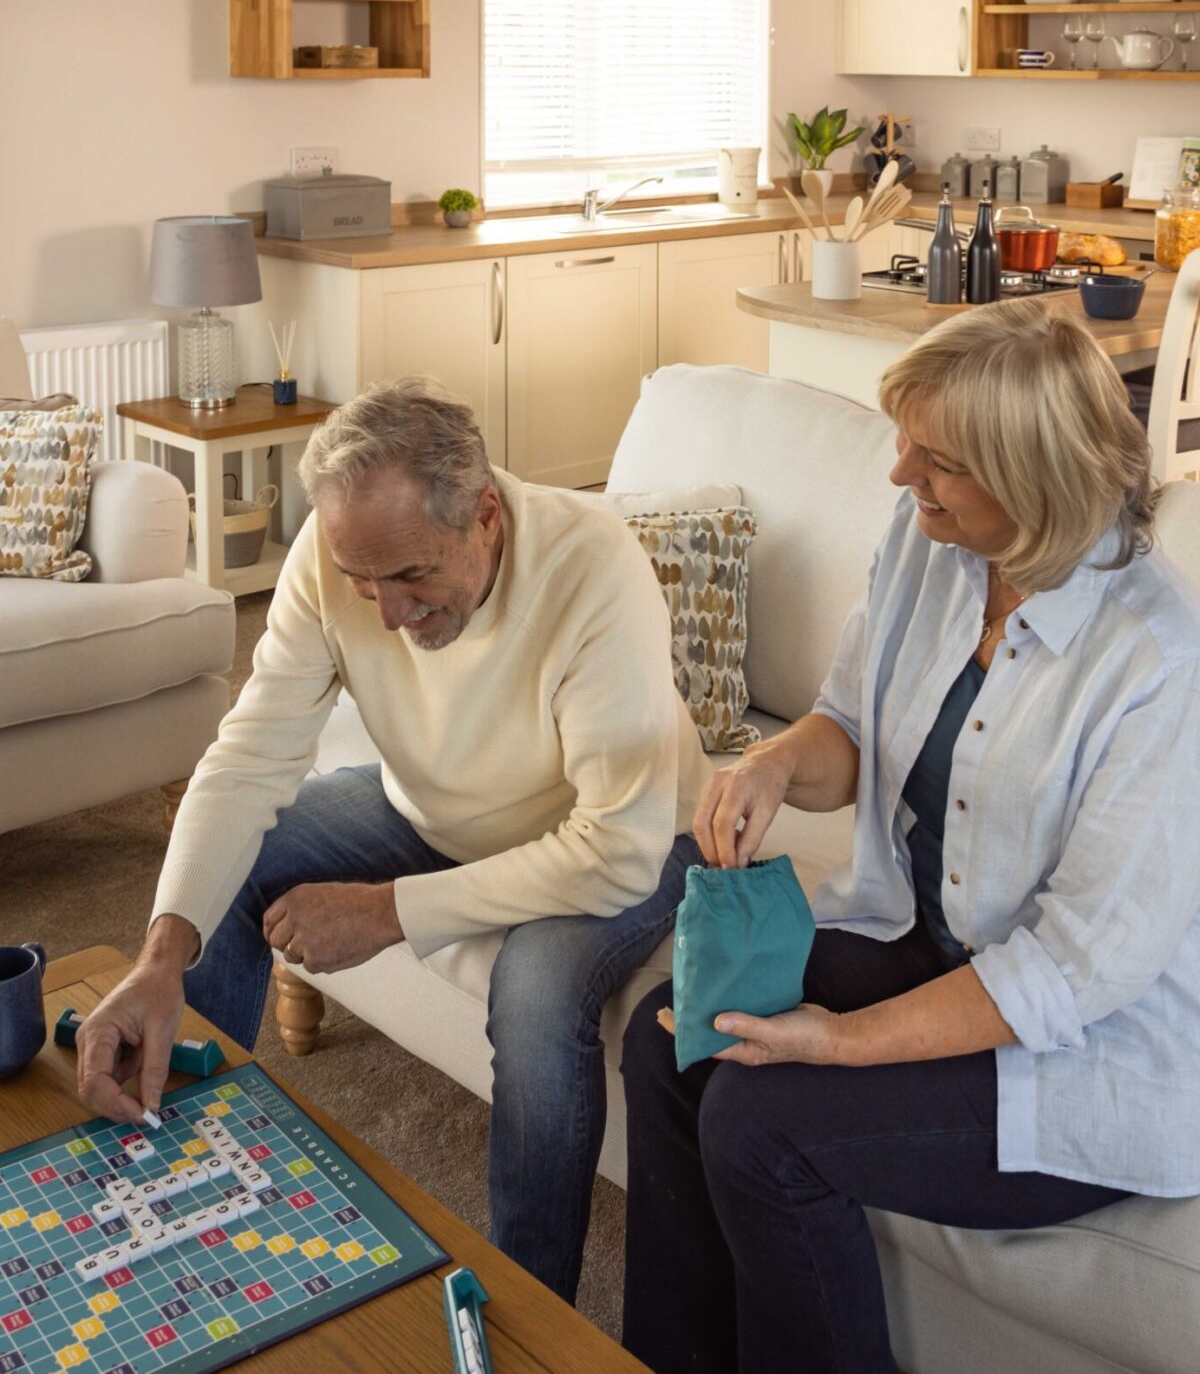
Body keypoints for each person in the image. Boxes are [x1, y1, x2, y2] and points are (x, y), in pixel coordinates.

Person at [621, 297, 1200, 1374]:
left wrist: (836, 1042)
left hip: (1086, 1047)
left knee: (761, 1119)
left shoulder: (1158, 662)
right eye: (904, 445)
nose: (898, 478)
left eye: (932, 461)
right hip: (930, 944)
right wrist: (774, 764)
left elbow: (1075, 971)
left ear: (1033, 482)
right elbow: (849, 722)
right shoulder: (934, 544)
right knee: (674, 1036)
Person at [75, 379, 708, 1304]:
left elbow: (616, 848)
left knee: (534, 992)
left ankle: (526, 1312)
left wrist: (388, 913)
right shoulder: (339, 559)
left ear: (485, 515)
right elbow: (250, 755)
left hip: (620, 843)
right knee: (241, 863)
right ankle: (181, 1178)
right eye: (363, 581)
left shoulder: (592, 566)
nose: (386, 613)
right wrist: (161, 954)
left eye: (412, 577)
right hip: (433, 815)